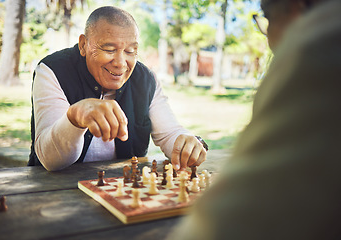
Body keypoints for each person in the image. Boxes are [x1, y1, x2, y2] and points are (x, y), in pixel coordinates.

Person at [169, 0, 341, 239]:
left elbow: (227, 223)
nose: (269, 40)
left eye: (268, 19)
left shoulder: (318, 47)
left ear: (294, 8)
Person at [28, 6, 208, 171]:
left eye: (130, 51)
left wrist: (186, 143)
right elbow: (50, 160)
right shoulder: (53, 71)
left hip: (125, 192)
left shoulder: (146, 79)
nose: (121, 63)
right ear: (83, 45)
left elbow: (170, 134)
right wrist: (75, 117)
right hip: (52, 192)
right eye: (109, 49)